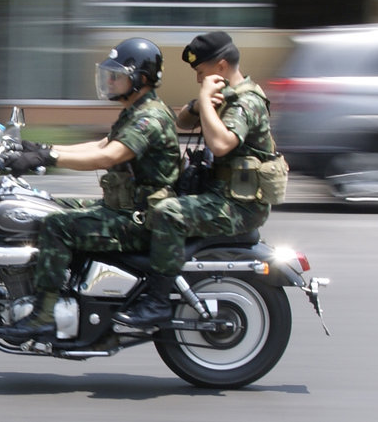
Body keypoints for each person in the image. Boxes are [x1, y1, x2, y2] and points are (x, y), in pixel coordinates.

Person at [0, 38, 181, 342]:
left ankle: (42, 317)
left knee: (57, 226)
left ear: (140, 79)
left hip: (139, 219)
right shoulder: (136, 111)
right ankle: (62, 287)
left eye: (117, 74)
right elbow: (100, 145)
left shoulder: (150, 117)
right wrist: (39, 149)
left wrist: (48, 158)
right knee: (48, 205)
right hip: (123, 208)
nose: (110, 80)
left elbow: (109, 156)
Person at [112, 30, 277, 328]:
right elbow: (181, 122)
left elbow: (221, 144)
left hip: (240, 207)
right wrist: (199, 105)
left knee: (168, 214)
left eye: (201, 73)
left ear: (222, 67)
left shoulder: (246, 102)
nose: (199, 80)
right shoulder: (226, 97)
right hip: (221, 196)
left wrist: (204, 98)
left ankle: (157, 303)